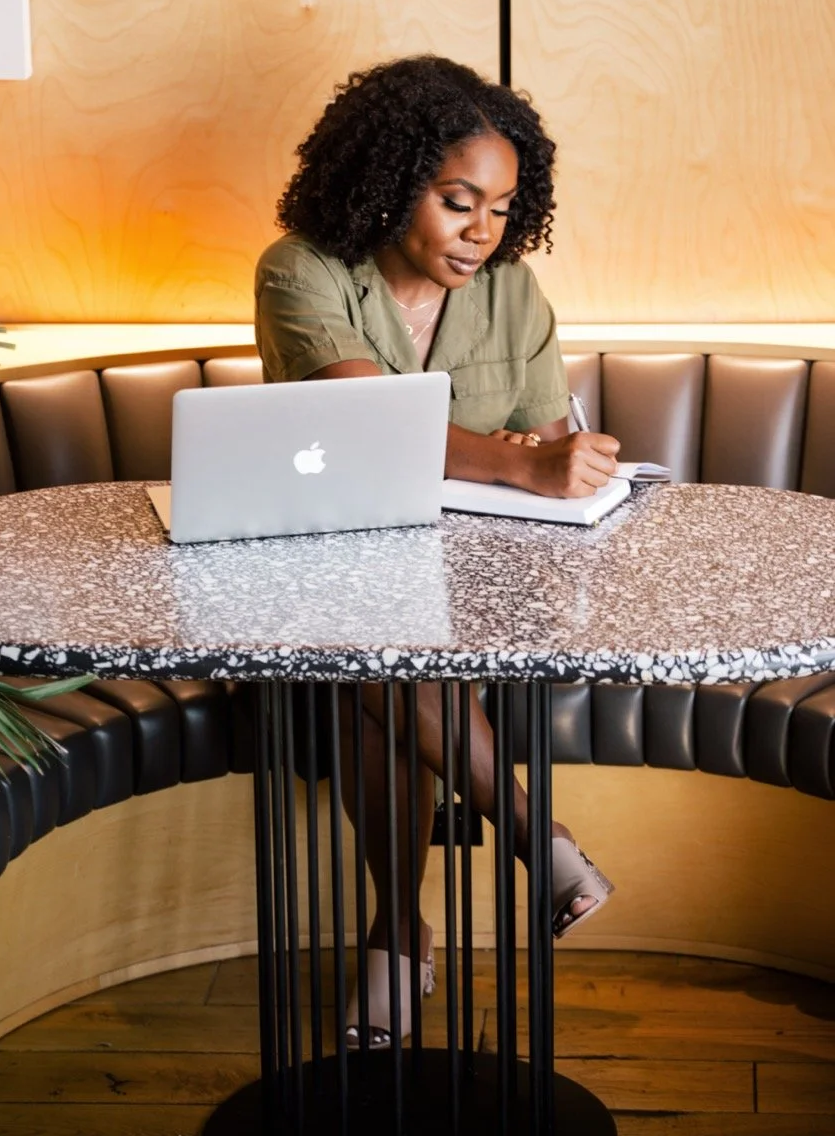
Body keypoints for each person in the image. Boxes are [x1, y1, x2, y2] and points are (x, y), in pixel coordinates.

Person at [255, 54, 620, 1049]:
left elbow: (549, 442)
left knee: (374, 662)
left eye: (502, 208)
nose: (481, 231)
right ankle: (531, 834)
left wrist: (565, 462)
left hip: (486, 580)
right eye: (458, 200)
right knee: (375, 644)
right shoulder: (303, 269)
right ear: (387, 179)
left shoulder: (513, 292)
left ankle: (396, 932)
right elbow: (364, 421)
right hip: (337, 568)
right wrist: (518, 461)